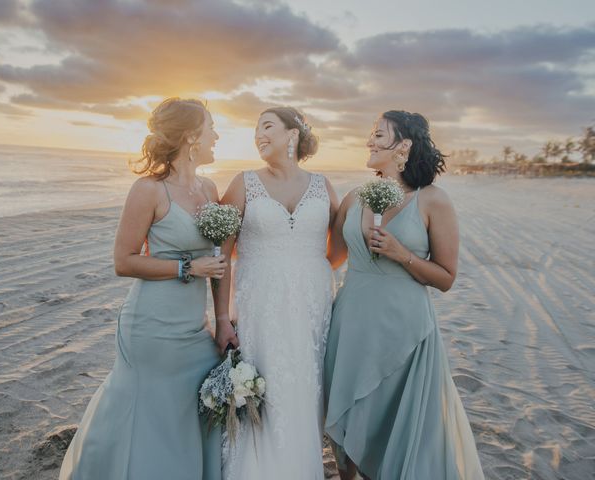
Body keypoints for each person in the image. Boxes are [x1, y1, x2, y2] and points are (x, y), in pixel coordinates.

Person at [59, 98, 235, 480]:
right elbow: (124, 261)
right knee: (146, 415)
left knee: (186, 416)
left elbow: (221, 262)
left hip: (195, 329)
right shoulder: (149, 190)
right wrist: (188, 267)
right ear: (191, 137)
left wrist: (222, 320)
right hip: (152, 327)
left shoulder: (208, 188)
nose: (216, 136)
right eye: (211, 128)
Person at [324, 111, 484, 480]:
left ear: (404, 147)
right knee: (347, 424)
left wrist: (402, 254)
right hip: (350, 326)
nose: (369, 141)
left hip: (406, 332)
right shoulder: (353, 198)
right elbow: (328, 260)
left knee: (396, 427)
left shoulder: (433, 201)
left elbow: (445, 277)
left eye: (378, 135)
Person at [214, 107, 339, 479]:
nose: (258, 135)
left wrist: (304, 273)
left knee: (305, 391)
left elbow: (338, 248)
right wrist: (222, 318)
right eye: (255, 129)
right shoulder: (243, 183)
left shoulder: (322, 185)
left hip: (311, 307)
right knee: (262, 391)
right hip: (258, 307)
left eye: (267, 126)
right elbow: (221, 256)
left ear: (293, 135)